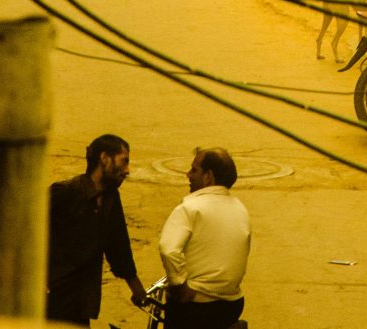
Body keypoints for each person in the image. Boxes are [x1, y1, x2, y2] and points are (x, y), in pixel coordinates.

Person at [46, 134, 146, 325]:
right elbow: (25, 230)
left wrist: (139, 292)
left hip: (81, 304)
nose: (127, 170)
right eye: (124, 162)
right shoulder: (65, 192)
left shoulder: (110, 198)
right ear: (104, 158)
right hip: (53, 301)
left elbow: (119, 249)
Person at [159, 147, 251, 329]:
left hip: (196, 307)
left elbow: (168, 250)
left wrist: (179, 285)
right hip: (232, 304)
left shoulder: (190, 208)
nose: (188, 174)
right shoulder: (240, 209)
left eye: (194, 170)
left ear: (208, 176)